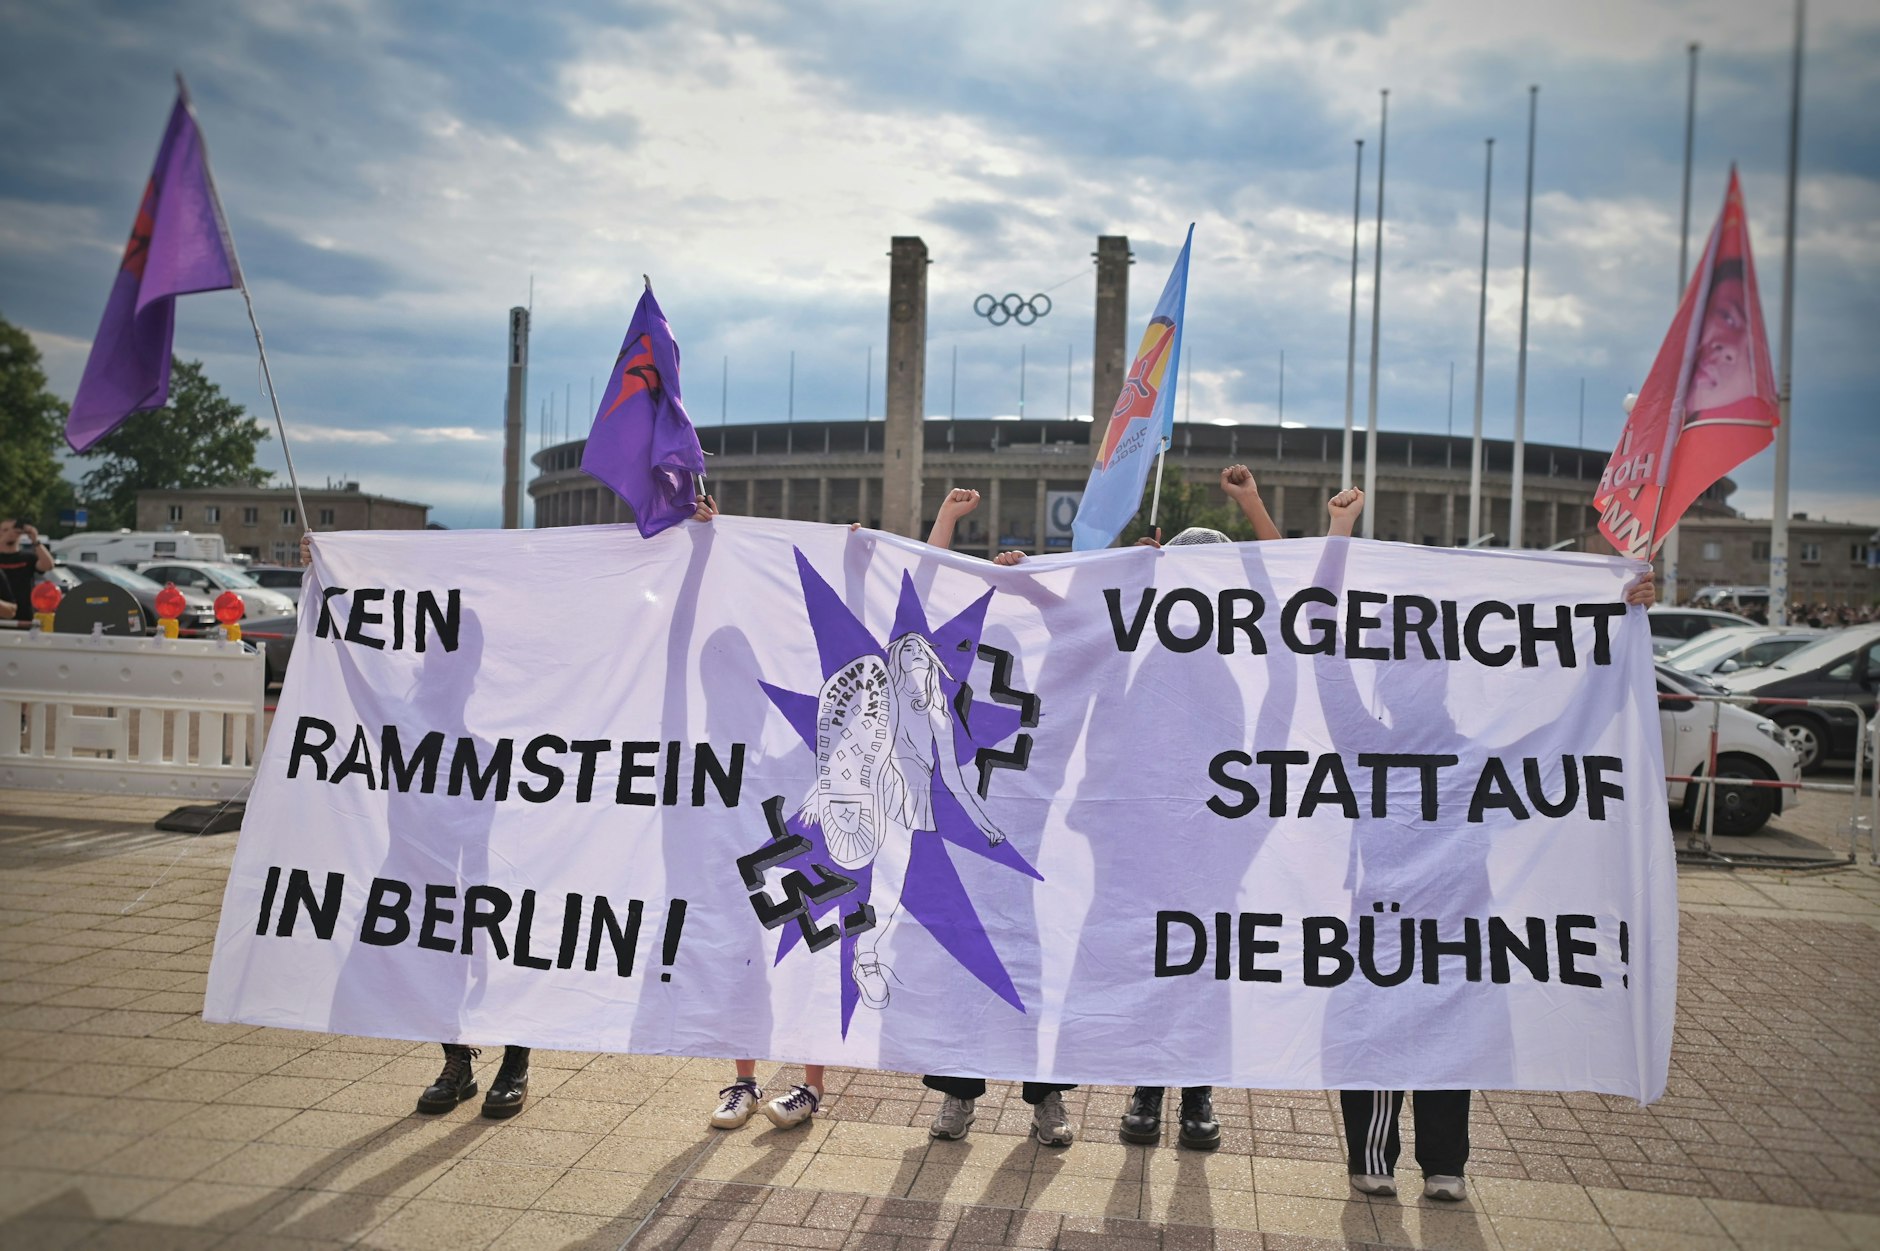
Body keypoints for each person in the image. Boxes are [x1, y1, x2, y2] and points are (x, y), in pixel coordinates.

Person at [1328, 492, 1656, 1203]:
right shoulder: (1462, 753)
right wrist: (1618, 623)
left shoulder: (1377, 743)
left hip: (1398, 921)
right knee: (1440, 1027)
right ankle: (1434, 1162)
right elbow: (1572, 723)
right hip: (1433, 921)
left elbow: (1323, 658)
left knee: (1404, 1029)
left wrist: (1622, 619)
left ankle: (1391, 1159)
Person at [918, 487, 1075, 1148]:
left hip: (1026, 858)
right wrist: (948, 521)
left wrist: (1031, 589)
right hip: (960, 852)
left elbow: (1082, 629)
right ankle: (959, 1095)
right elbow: (916, 600)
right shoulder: (938, 685)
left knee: (1030, 976)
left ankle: (1046, 1100)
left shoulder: (1057, 692)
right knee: (960, 975)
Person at [0, 518, 54, 623]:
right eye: (5, 530)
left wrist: (35, 540)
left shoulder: (27, 557)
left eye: (13, 530)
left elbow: (48, 565)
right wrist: (4, 539)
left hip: (24, 617)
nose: (10, 533)